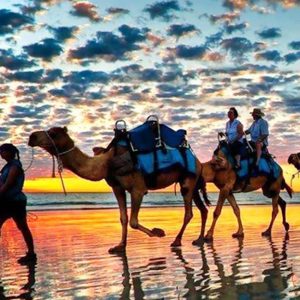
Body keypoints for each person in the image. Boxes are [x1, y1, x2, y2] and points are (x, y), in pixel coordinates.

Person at [0, 143, 36, 264]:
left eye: (3, 150)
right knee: (23, 227)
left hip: (14, 202)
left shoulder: (15, 165)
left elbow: (9, 183)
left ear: (10, 152)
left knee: (23, 227)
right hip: (8, 201)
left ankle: (31, 254)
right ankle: (31, 253)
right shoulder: (7, 166)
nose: (1, 153)